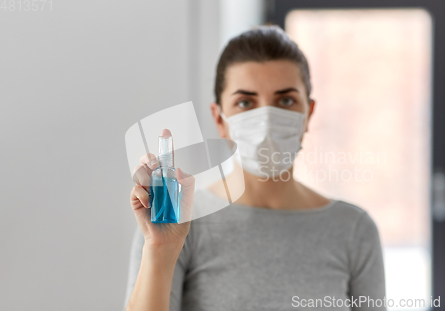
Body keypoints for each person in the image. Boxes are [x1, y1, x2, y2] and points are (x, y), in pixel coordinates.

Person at [124, 25, 386, 311]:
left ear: (308, 114)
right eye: (245, 102)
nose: (266, 120)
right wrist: (161, 251)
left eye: (285, 100)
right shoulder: (179, 224)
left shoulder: (353, 230)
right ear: (220, 119)